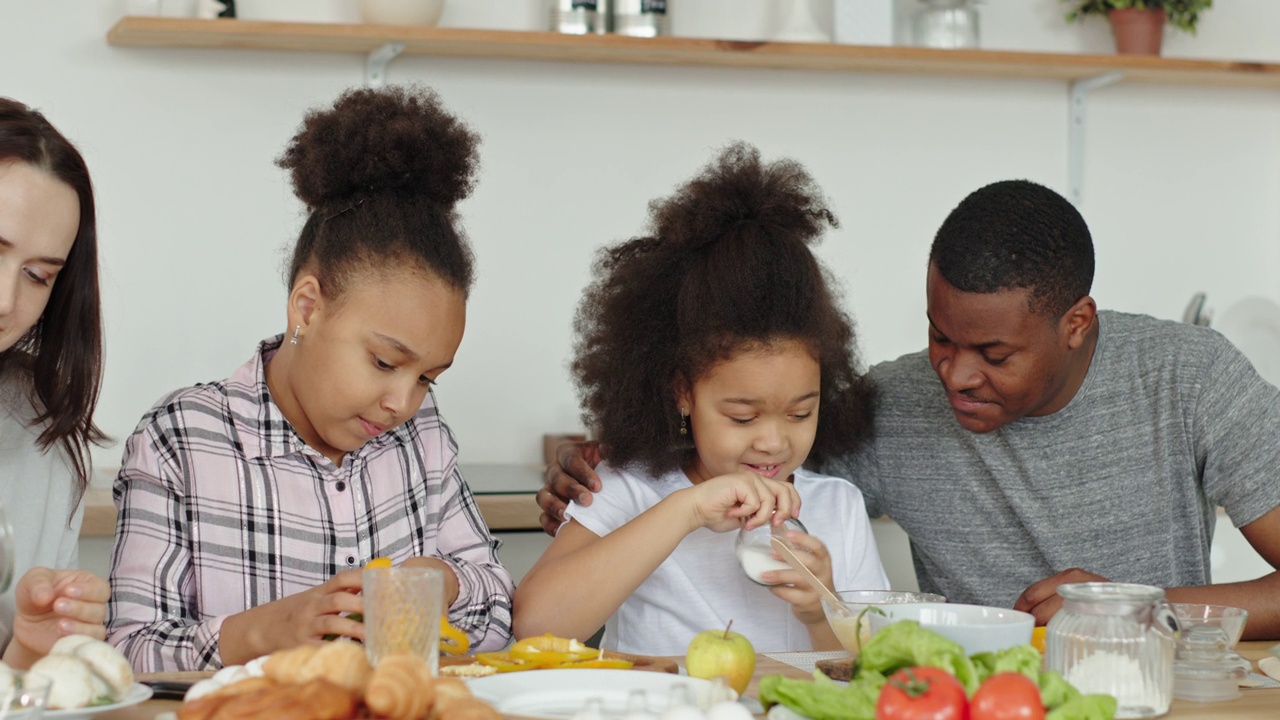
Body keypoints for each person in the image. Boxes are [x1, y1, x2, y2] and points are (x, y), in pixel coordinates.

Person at [541, 179, 1280, 640]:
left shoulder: (1191, 379)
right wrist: (604, 458)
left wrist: (1140, 608)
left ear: (1077, 323)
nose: (956, 375)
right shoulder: (885, 408)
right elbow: (727, 444)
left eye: (993, 355)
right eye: (938, 337)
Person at [106, 86, 515, 671]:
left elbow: (499, 609)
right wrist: (268, 630)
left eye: (429, 377)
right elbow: (127, 652)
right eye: (383, 362)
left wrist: (444, 581)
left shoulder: (422, 440)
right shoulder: (183, 439)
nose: (403, 401)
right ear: (306, 307)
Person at [514, 144, 887, 655]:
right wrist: (685, 511)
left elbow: (881, 670)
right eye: (742, 415)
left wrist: (821, 608)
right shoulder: (629, 491)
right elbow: (535, 625)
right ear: (683, 393)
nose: (774, 441)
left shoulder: (837, 508)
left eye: (802, 412)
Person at [0, 98, 112, 668]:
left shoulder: (37, 434)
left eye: (38, 275)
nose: (5, 301)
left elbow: (12, 692)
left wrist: (29, 647)